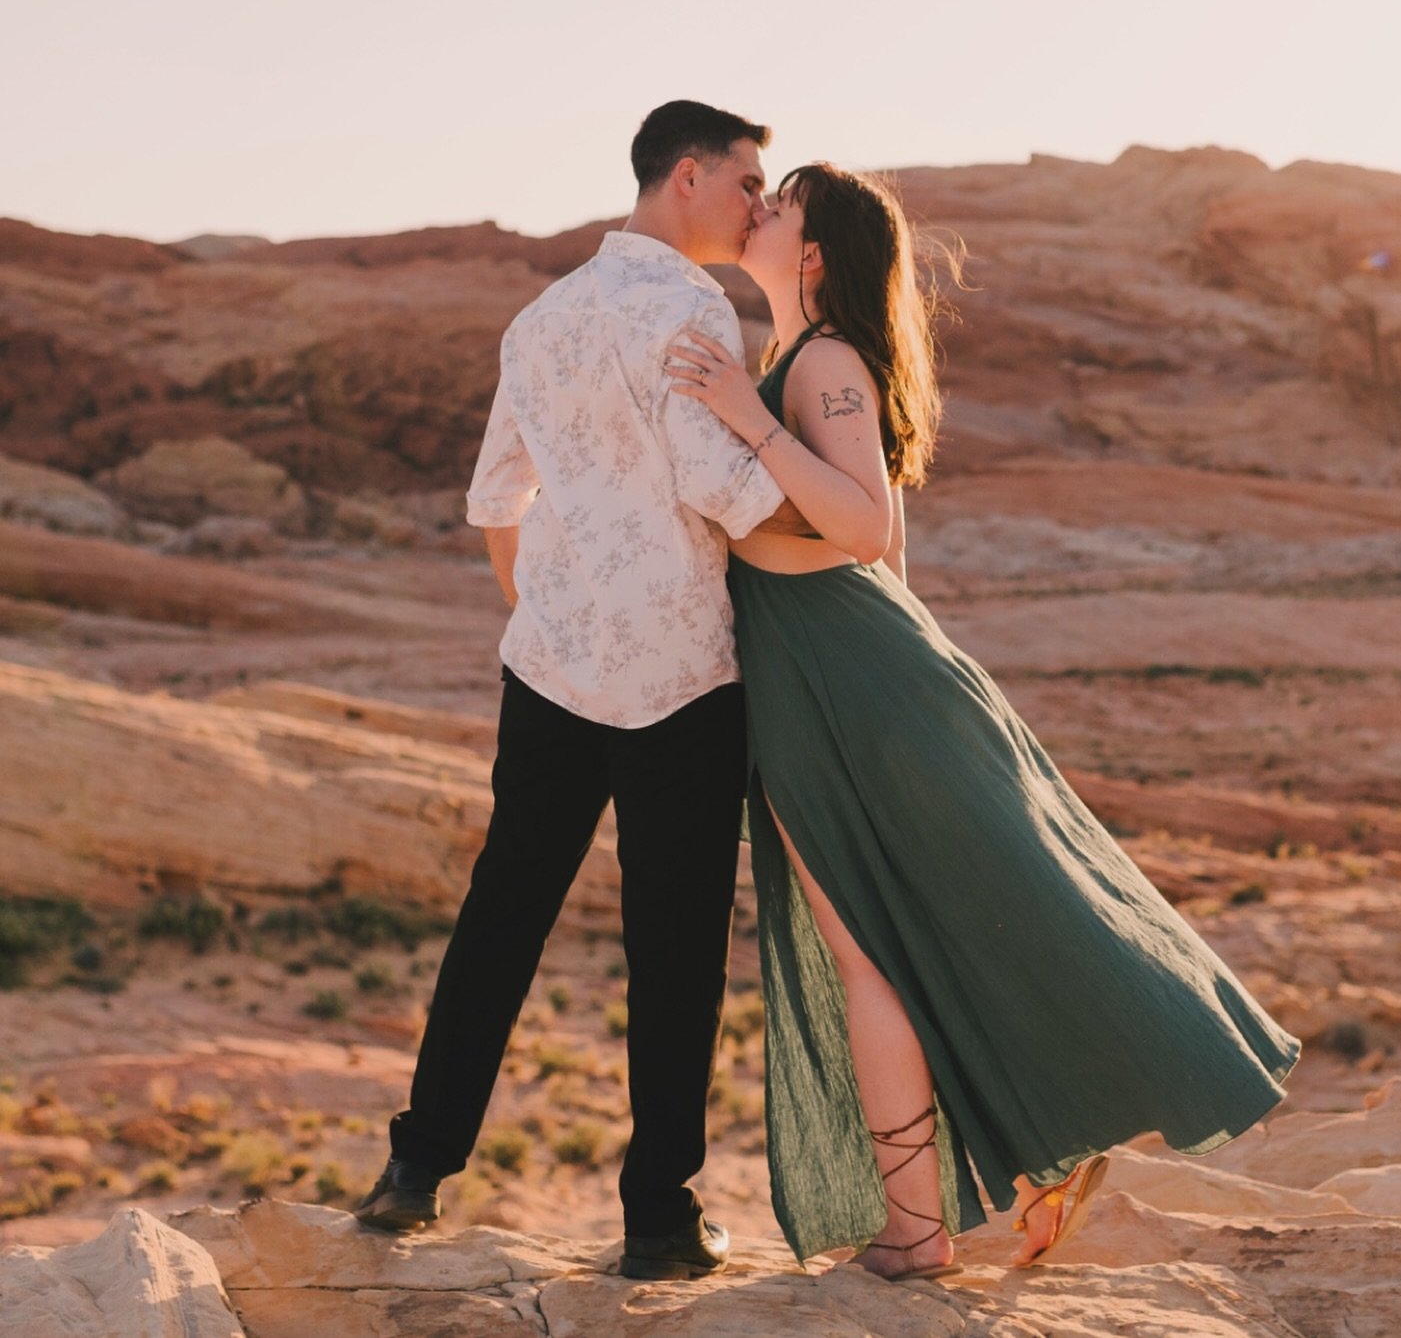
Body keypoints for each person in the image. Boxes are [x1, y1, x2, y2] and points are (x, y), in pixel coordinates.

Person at [665, 162, 1301, 1278]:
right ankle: (1014, 1169)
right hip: (842, 679)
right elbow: (879, 546)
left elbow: (864, 533)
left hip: (847, 687)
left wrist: (737, 424)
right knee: (933, 937)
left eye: (784, 204)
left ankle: (919, 1232)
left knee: (874, 955)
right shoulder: (802, 360)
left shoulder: (820, 363)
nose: (759, 210)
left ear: (811, 253)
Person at [358, 100, 798, 1282]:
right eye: (749, 182)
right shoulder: (696, 308)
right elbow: (727, 493)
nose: (760, 205)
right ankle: (658, 1217)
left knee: (501, 915)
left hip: (550, 672)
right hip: (685, 680)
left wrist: (550, 612)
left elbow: (498, 498)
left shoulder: (542, 315)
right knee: (675, 948)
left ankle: (415, 1172)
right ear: (689, 177)